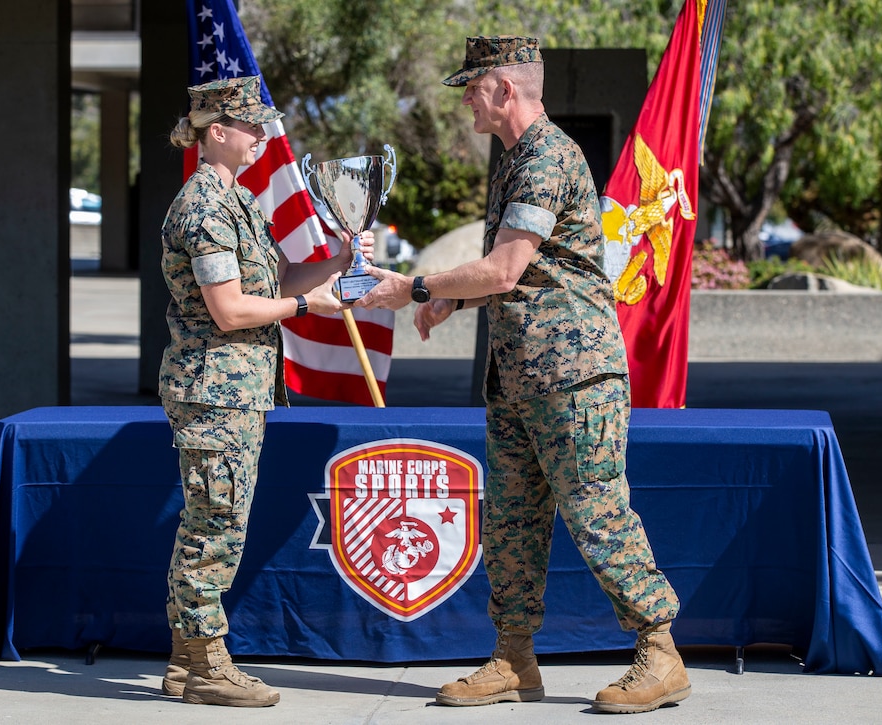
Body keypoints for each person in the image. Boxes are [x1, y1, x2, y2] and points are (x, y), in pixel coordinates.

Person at [355, 36, 690, 714]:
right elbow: (525, 271)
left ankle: (660, 650)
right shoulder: (515, 161)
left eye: (472, 88)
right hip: (519, 377)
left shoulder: (545, 156)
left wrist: (414, 288)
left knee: (597, 512)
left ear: (506, 90)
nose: (466, 100)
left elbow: (506, 267)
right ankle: (514, 656)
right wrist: (452, 297)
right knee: (512, 522)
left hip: (572, 376)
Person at [158, 74, 373, 708]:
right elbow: (228, 309)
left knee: (218, 518)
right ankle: (204, 661)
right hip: (214, 389)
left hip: (238, 390)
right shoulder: (201, 206)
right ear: (214, 132)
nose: (263, 135)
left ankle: (184, 661)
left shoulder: (240, 202)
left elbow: (275, 276)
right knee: (214, 524)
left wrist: (342, 258)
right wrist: (308, 305)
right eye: (251, 126)